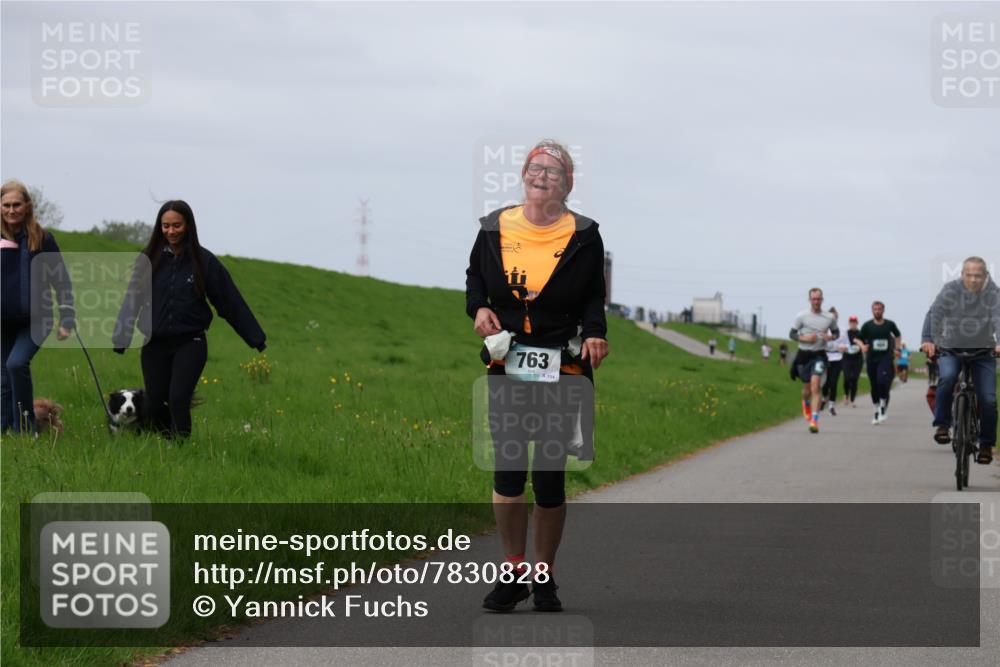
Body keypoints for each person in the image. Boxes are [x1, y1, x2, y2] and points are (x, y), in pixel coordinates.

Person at [466, 140, 608, 612]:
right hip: (507, 363)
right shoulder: (494, 226)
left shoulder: (584, 234)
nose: (542, 174)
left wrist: (595, 333)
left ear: (568, 183)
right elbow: (475, 279)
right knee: (507, 474)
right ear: (523, 175)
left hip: (562, 366)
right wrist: (480, 308)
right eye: (534, 166)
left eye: (553, 170)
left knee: (549, 480)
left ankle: (544, 577)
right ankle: (513, 572)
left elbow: (592, 296)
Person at [112, 200, 266, 438]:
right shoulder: (149, 259)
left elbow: (229, 300)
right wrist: (122, 336)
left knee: (178, 399)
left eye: (176, 225)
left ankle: (180, 449)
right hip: (154, 343)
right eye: (165, 226)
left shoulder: (204, 262)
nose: (171, 231)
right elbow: (133, 300)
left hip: (190, 343)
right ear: (159, 227)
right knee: (155, 404)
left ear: (188, 226)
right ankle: (166, 447)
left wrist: (255, 337)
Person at [1, 180, 74, 435]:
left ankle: (26, 428)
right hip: (3, 321)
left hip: (37, 319)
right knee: (3, 379)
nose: (11, 210)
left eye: (16, 205)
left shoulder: (43, 239)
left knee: (16, 364)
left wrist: (67, 319)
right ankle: (4, 430)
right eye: (6, 205)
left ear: (27, 206)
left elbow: (61, 280)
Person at [921, 256, 999, 464]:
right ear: (962, 275)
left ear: (985, 276)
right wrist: (929, 339)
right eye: (969, 275)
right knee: (946, 378)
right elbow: (935, 313)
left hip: (983, 352)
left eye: (978, 275)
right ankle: (943, 425)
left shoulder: (993, 294)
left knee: (989, 399)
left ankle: (985, 444)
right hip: (951, 348)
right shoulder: (951, 290)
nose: (973, 279)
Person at [789, 288, 839, 433]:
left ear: (822, 299)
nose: (816, 301)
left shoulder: (829, 317)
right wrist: (805, 338)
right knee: (806, 390)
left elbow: (836, 332)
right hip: (803, 356)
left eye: (819, 299)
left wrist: (831, 337)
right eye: (814, 299)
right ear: (809, 300)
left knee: (816, 385)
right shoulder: (801, 316)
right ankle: (805, 403)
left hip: (819, 355)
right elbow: (791, 333)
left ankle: (814, 421)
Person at [857, 301, 901, 425]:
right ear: (872, 310)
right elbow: (858, 338)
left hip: (885, 358)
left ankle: (882, 406)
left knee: (882, 381)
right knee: (874, 385)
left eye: (879, 309)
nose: (877, 311)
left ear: (883, 310)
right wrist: (862, 346)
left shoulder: (889, 324)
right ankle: (876, 409)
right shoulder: (867, 326)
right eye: (875, 309)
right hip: (871, 358)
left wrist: (897, 349)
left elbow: (897, 335)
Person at [822, 308, 847, 416]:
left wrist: (844, 348)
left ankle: (831, 406)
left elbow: (848, 345)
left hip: (837, 358)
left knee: (833, 382)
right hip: (825, 357)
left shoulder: (842, 330)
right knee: (825, 382)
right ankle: (824, 398)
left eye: (834, 317)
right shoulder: (822, 329)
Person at [841, 315, 864, 407]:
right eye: (851, 322)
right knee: (847, 378)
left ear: (857, 323)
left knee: (854, 379)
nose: (853, 324)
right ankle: (846, 394)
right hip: (846, 358)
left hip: (857, 359)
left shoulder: (861, 334)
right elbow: (840, 344)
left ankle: (852, 400)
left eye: (854, 322)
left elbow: (865, 344)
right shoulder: (845, 334)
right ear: (849, 323)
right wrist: (842, 347)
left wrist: (862, 347)